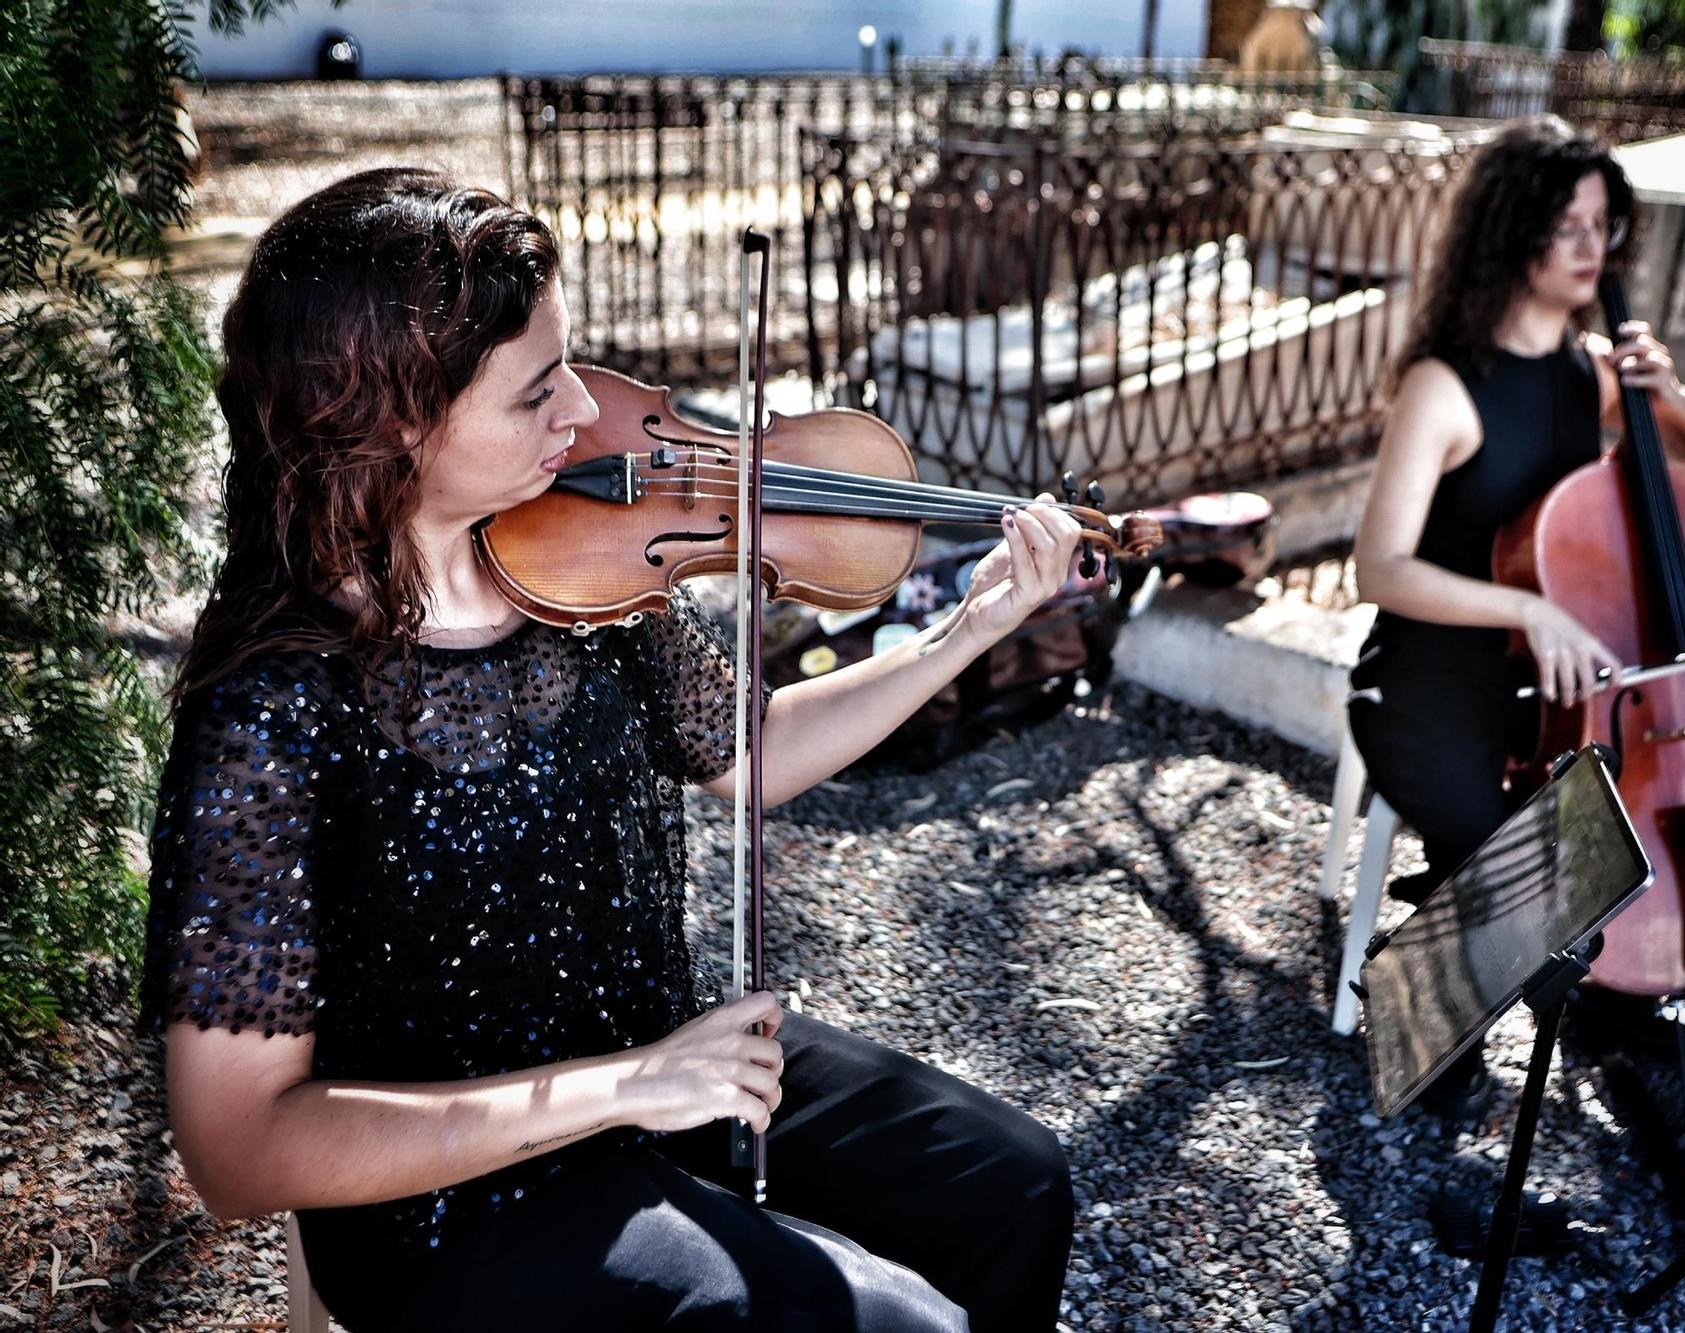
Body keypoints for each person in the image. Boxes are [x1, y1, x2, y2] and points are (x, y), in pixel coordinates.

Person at [141, 167, 1081, 1332]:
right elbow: (239, 1149)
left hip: (660, 1064)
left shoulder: (581, 576)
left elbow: (752, 747)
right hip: (446, 1192)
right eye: (538, 394)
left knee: (1009, 1184)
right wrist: (622, 1088)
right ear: (391, 419)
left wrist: (971, 625)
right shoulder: (273, 711)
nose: (585, 415)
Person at [1347, 116, 1685, 1114]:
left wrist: (1674, 393)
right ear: (1509, 233)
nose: (1591, 248)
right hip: (1422, 688)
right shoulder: (1444, 387)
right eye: (1566, 225)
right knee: (1541, 864)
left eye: (1600, 225)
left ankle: (1573, 989)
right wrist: (1525, 612)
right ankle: (1416, 985)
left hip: (1552, 695)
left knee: (1582, 855)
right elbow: (1376, 568)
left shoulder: (1595, 374)